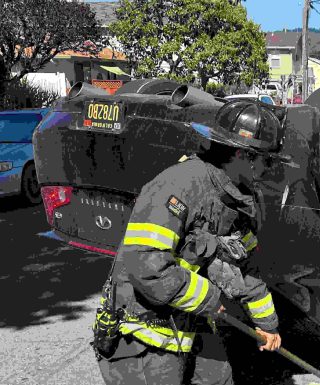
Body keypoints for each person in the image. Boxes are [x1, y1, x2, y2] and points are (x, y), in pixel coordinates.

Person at [93, 100, 284, 385]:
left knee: (219, 380)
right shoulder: (177, 186)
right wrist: (208, 298)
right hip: (144, 333)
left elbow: (245, 269)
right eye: (266, 159)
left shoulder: (239, 199)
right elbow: (146, 264)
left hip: (192, 322)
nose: (271, 168)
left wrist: (268, 325)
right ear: (241, 154)